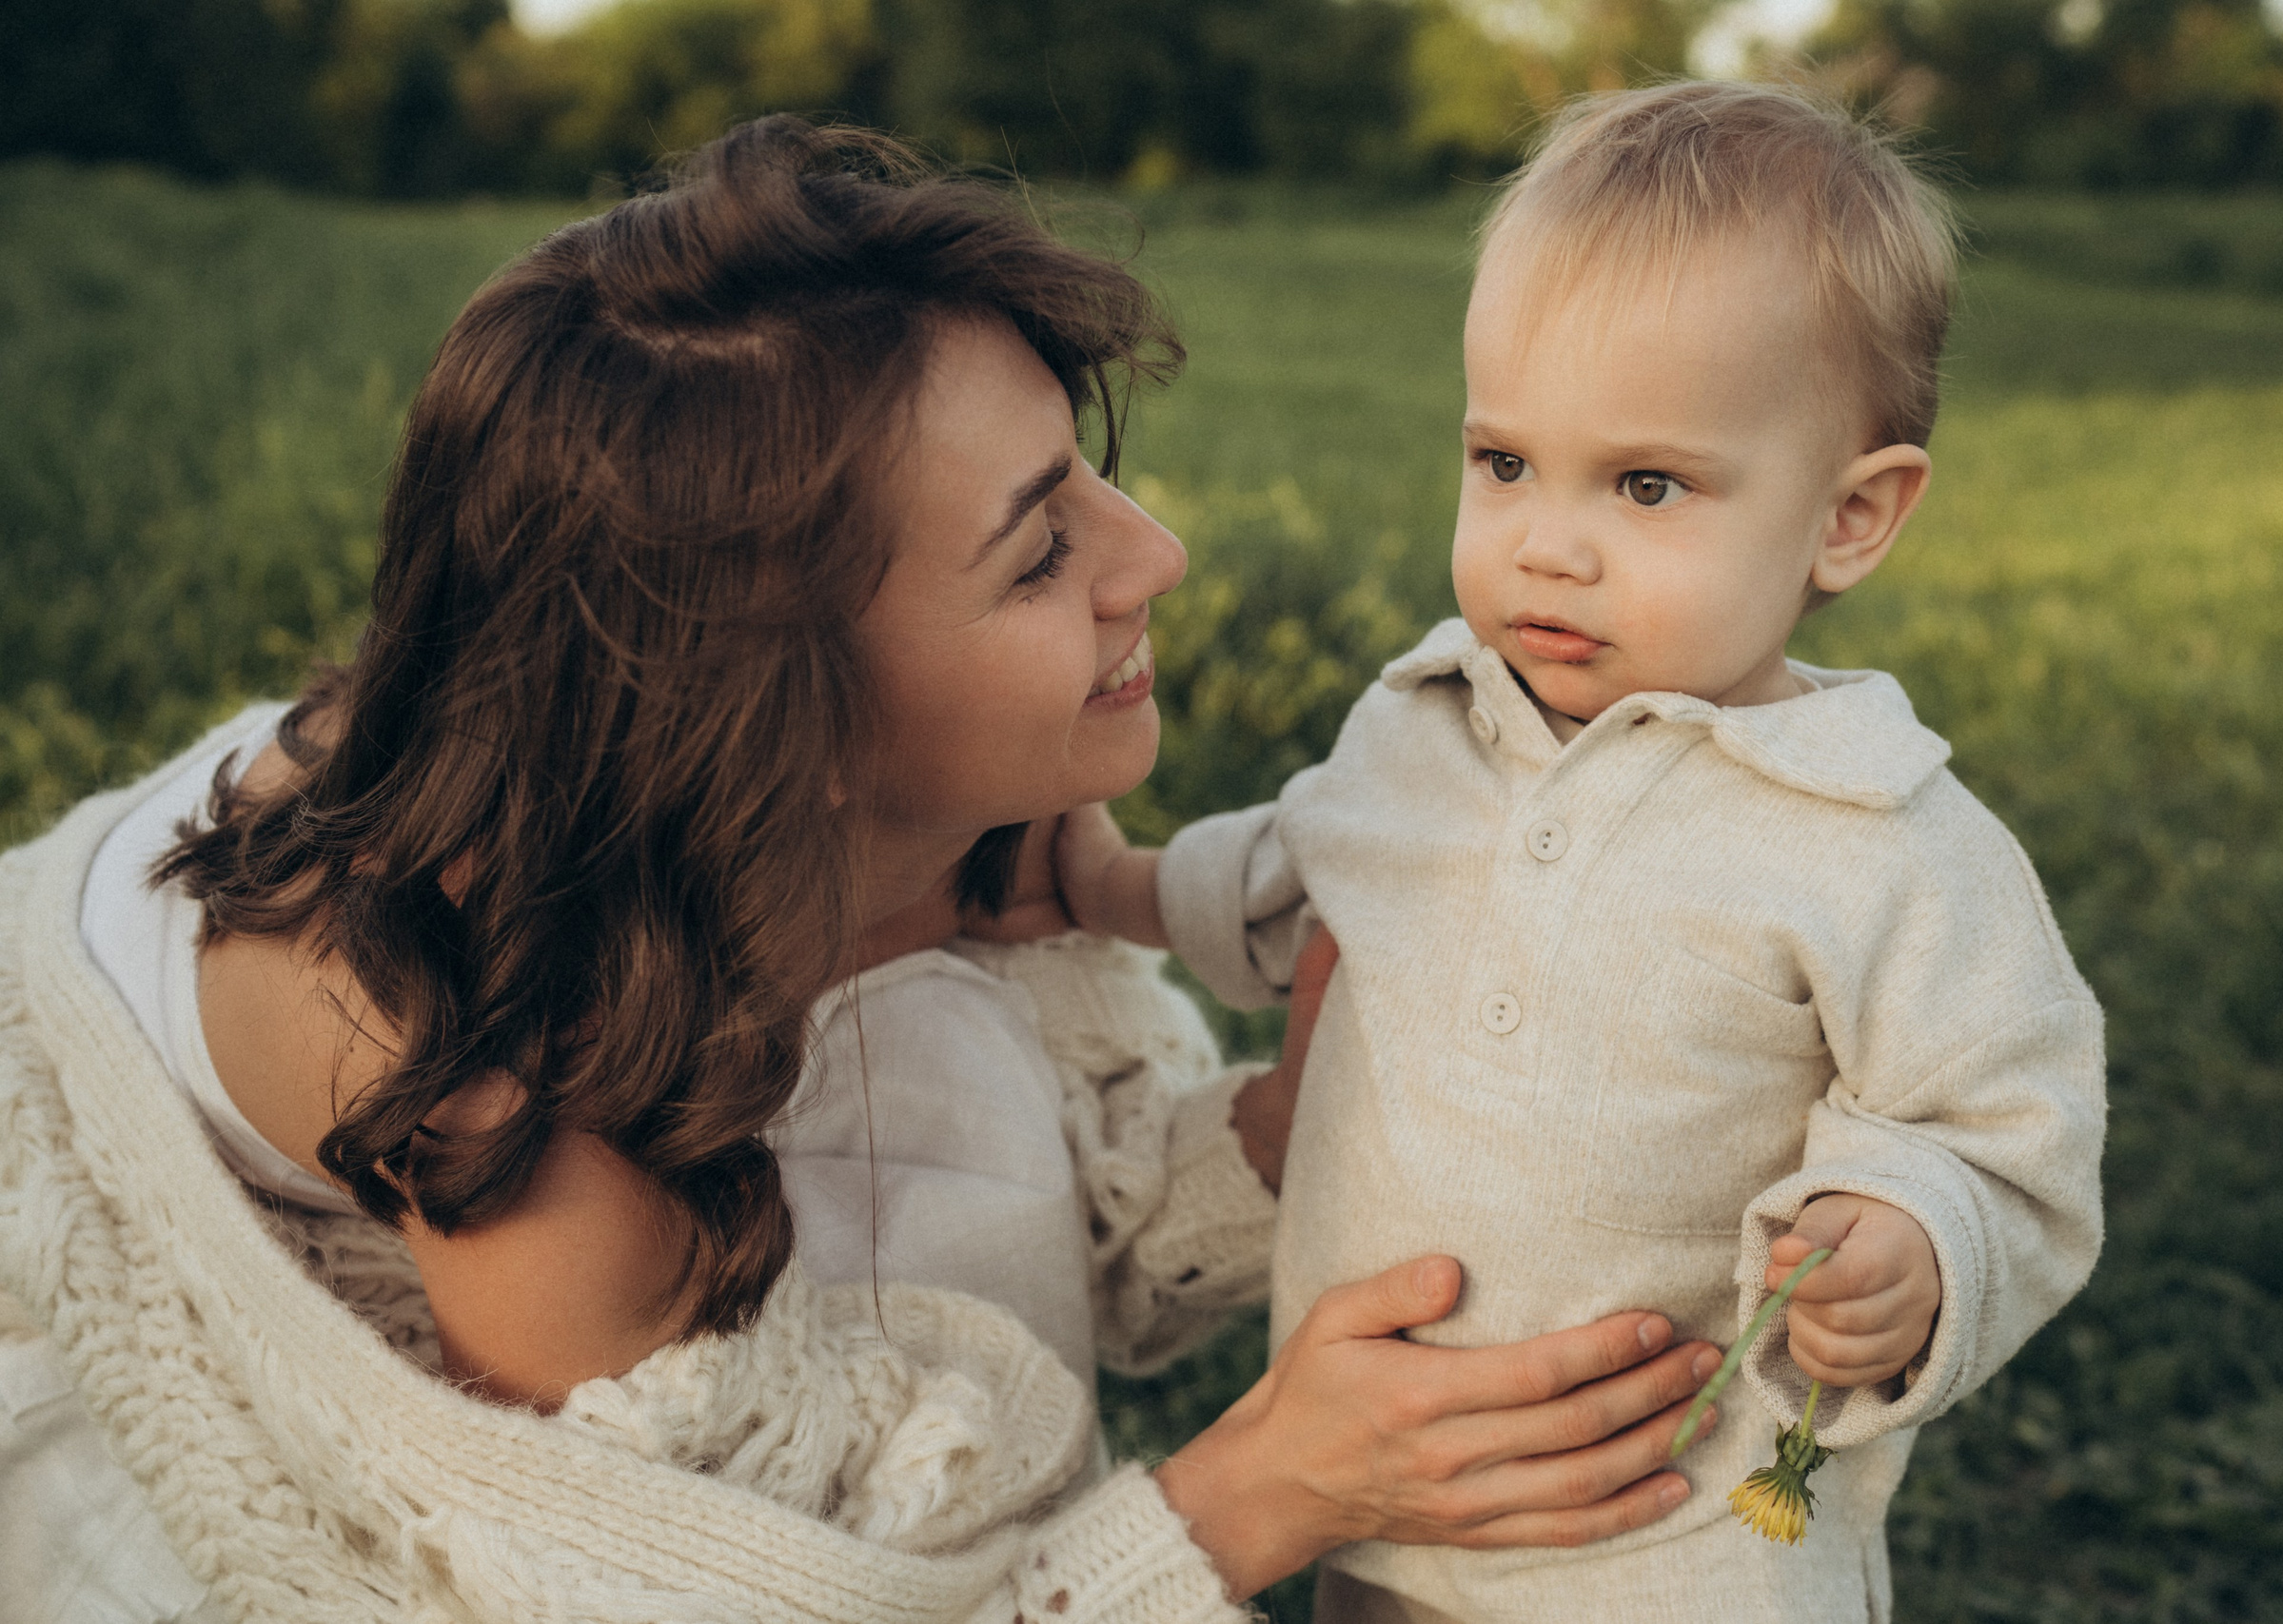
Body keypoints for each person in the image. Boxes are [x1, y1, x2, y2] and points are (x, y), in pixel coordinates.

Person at [0, 117, 1729, 1623]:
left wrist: (1294, 1132)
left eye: (1090, 482)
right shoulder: (507, 1083)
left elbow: (1040, 1159)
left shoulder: (813, 794)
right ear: (779, 706)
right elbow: (673, 1589)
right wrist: (1259, 1493)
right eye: (1042, 549)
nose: (1160, 559)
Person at [1054, 82, 2110, 1622]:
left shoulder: (1876, 836)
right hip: (1375, 1504)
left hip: (1676, 1552)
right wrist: (1111, 888)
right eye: (1504, 465)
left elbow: (2011, 1125)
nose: (1549, 541)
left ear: (1851, 519)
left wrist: (1914, 1236)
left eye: (1647, 485)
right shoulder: (1424, 721)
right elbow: (1297, 870)